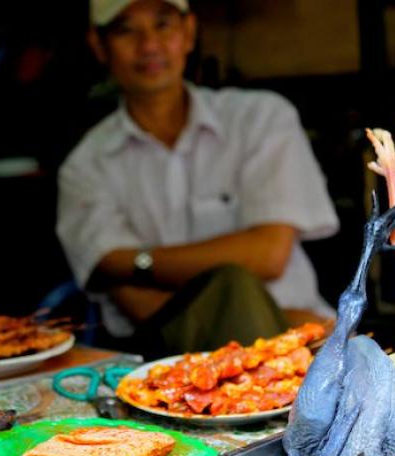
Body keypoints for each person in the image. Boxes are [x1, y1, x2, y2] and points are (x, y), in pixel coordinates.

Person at [56, 0, 339, 359]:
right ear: (99, 46)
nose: (149, 45)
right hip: (179, 357)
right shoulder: (86, 166)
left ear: (188, 32)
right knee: (234, 286)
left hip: (311, 339)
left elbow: (269, 254)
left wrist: (135, 262)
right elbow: (135, 302)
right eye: (126, 30)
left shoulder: (261, 119)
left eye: (163, 25)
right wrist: (267, 319)